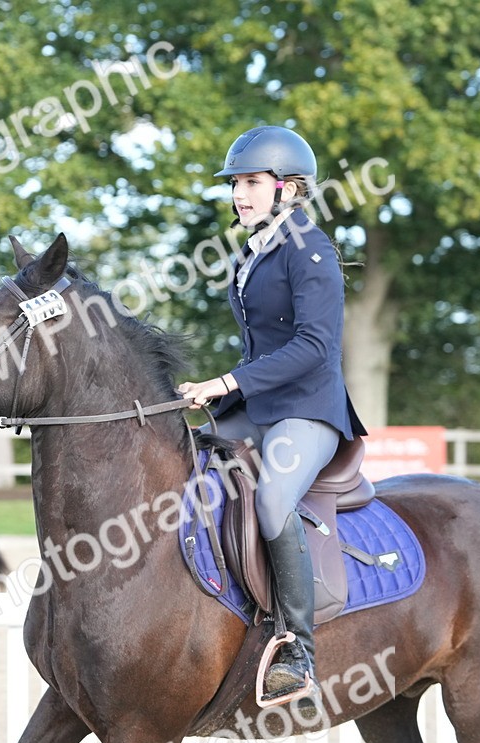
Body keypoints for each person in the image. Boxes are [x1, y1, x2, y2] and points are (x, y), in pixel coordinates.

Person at [178, 126, 367, 701]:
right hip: (258, 404)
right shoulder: (253, 248)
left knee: (271, 498)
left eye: (252, 183)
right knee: (181, 466)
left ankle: (298, 649)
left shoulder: (312, 252)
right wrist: (220, 393)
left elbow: (314, 347)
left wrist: (228, 380)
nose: (239, 193)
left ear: (288, 189)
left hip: (308, 408)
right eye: (236, 183)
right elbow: (262, 344)